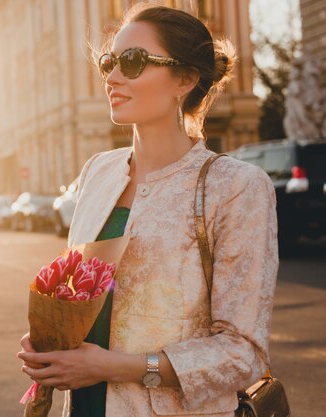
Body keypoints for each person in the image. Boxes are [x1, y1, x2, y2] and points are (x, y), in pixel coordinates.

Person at [16, 4, 279, 417]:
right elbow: (83, 299)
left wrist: (116, 367)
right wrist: (51, 342)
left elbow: (243, 353)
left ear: (186, 79)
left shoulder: (234, 186)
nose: (113, 77)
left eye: (133, 62)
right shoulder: (97, 173)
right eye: (109, 62)